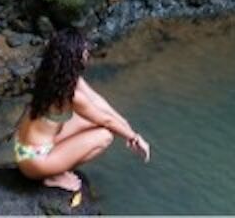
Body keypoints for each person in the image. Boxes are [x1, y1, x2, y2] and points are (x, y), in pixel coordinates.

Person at [13, 28, 151, 193]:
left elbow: (96, 100)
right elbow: (105, 121)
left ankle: (55, 165)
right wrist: (134, 137)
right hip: (34, 162)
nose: (87, 53)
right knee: (105, 135)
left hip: (24, 147)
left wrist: (124, 124)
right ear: (75, 57)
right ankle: (53, 175)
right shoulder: (71, 95)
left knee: (92, 120)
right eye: (84, 51)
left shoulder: (54, 76)